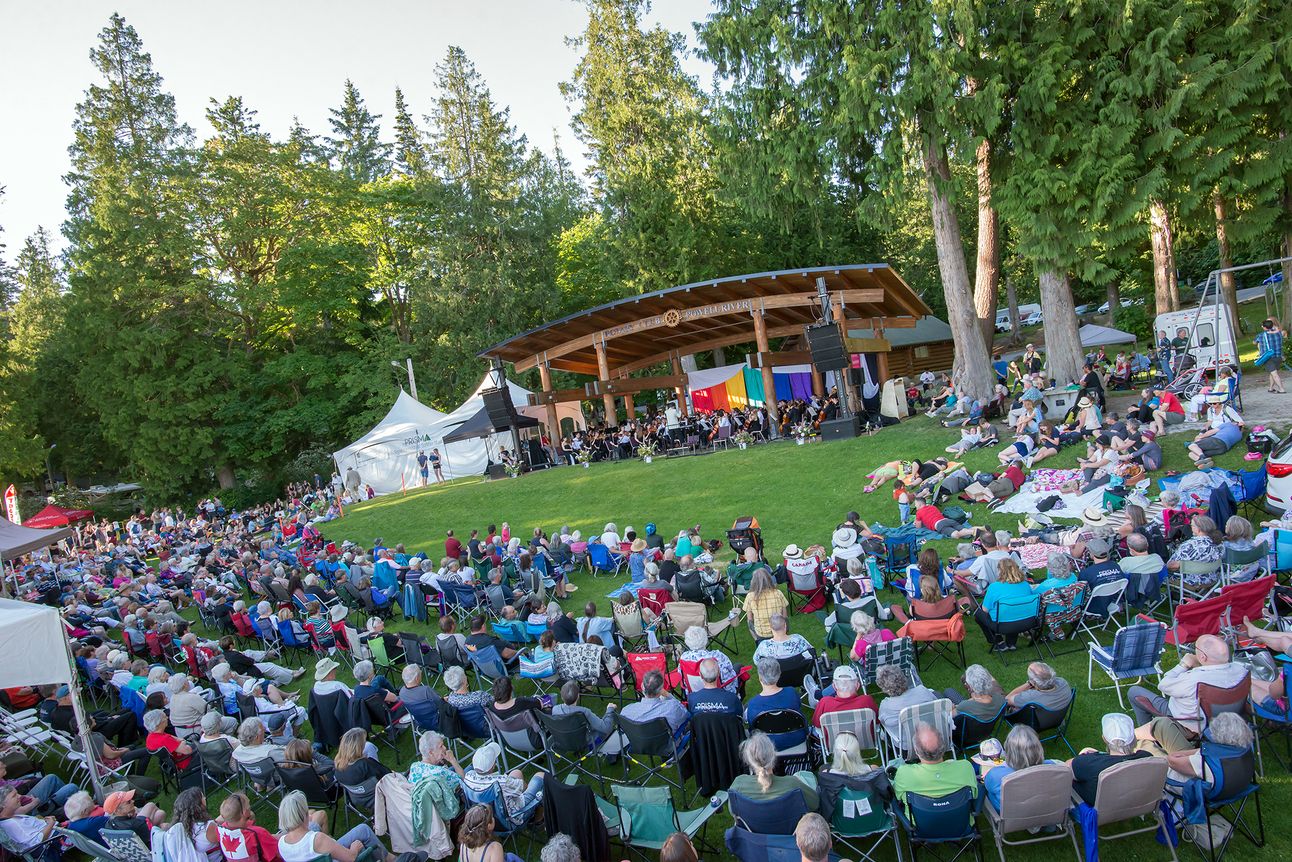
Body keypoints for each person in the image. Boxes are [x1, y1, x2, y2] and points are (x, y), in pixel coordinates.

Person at [1128, 633, 1247, 731]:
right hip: (1231, 718)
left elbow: (1163, 685)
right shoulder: (1242, 670)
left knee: (1134, 692)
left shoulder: (1194, 679)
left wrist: (1183, 665)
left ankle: (1150, 735)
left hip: (1192, 723)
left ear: (1203, 657)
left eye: (1196, 648)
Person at [276, 790, 392, 862]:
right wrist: (355, 847)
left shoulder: (281, 843)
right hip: (337, 858)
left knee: (362, 830)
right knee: (363, 834)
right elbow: (351, 858)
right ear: (304, 815)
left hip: (320, 856)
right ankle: (390, 859)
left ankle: (389, 858)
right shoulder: (316, 839)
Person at [892, 723, 977, 814]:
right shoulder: (965, 768)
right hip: (961, 821)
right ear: (944, 747)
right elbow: (975, 795)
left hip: (920, 823)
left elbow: (898, 796)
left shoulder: (904, 774)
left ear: (916, 751)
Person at [1069, 713, 1152, 805]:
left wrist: (1086, 757)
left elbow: (1064, 771)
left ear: (1104, 738)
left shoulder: (1090, 764)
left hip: (1097, 809)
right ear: (1134, 739)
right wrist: (1099, 754)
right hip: (1134, 804)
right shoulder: (1147, 758)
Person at [729, 731, 819, 809]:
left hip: (751, 824)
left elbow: (733, 810)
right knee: (807, 777)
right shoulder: (793, 785)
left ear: (748, 760)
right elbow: (815, 804)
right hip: (790, 824)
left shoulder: (737, 786)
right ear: (773, 755)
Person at [462, 741, 544, 824]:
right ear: (493, 766)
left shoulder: (468, 777)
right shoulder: (500, 782)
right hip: (513, 818)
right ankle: (538, 819)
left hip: (487, 818)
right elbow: (524, 787)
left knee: (516, 773)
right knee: (541, 776)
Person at [981, 725, 1057, 810]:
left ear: (1009, 751)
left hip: (1010, 815)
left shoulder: (996, 775)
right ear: (1039, 748)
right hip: (1044, 811)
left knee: (985, 786)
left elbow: (987, 785)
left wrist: (989, 774)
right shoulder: (1054, 768)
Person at [974, 559, 1040, 651]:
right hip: (1028, 622)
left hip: (1003, 625)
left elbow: (985, 610)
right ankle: (1011, 643)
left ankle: (999, 642)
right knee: (1015, 610)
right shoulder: (1025, 584)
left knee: (978, 613)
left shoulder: (994, 587)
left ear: (1000, 571)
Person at [745, 657, 807, 749]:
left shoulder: (753, 704)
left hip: (766, 745)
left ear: (760, 677)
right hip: (796, 739)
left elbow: (752, 729)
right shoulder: (791, 692)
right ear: (779, 674)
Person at [875, 665, 937, 745]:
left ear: (884, 688)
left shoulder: (886, 706)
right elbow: (937, 707)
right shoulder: (922, 691)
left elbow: (883, 722)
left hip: (906, 747)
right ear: (903, 677)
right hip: (933, 739)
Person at [619, 670, 689, 734]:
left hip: (638, 743)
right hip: (667, 743)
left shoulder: (626, 711)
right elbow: (685, 715)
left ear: (642, 686)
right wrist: (668, 695)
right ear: (660, 690)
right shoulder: (672, 708)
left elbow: (622, 729)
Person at [0, 786, 60, 861]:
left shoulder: (9, 818)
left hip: (53, 834)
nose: (19, 796)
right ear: (2, 804)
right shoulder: (11, 824)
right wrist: (51, 824)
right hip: (52, 842)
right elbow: (36, 842)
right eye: (14, 796)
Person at [811, 664, 879, 729]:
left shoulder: (825, 703)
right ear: (858, 686)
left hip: (834, 738)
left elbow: (817, 725)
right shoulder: (867, 701)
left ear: (834, 686)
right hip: (864, 737)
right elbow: (877, 722)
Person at [679, 626, 739, 693]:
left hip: (694, 694)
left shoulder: (684, 658)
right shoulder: (717, 656)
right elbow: (730, 676)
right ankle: (738, 697)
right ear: (706, 640)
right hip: (721, 694)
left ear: (686, 642)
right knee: (738, 667)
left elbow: (681, 677)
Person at [1076, 539, 1125, 617]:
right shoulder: (1115, 565)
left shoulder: (1086, 573)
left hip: (1092, 607)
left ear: (1091, 554)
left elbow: (1080, 594)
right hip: (1113, 602)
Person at [1004, 662, 1072, 712]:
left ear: (1034, 682)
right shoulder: (1063, 683)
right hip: (1057, 719)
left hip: (1036, 723)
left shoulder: (1029, 697)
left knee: (1012, 705)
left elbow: (1006, 699)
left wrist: (1029, 683)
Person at [1255, 318, 1285, 394]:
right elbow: (1278, 331)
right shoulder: (1279, 333)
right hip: (1278, 356)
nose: (1262, 327)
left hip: (1268, 357)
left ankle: (1281, 389)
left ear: (1265, 327)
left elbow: (1254, 342)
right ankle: (1271, 388)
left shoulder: (1261, 335)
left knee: (1274, 374)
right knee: (1272, 372)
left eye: (1262, 326)